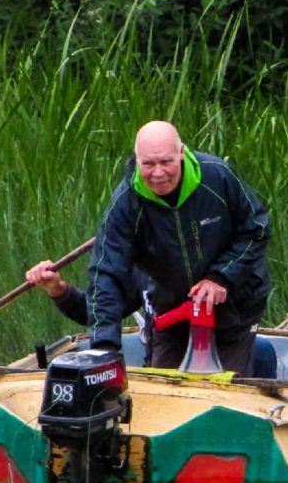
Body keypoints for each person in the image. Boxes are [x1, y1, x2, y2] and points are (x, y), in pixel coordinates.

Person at [86, 120, 271, 375]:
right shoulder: (125, 203)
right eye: (149, 164)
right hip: (171, 314)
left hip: (236, 309)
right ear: (137, 160)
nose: (158, 173)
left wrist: (220, 277)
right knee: (165, 396)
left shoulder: (218, 176)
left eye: (166, 162)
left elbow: (256, 228)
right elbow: (105, 275)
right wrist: (105, 350)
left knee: (223, 392)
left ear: (182, 153)